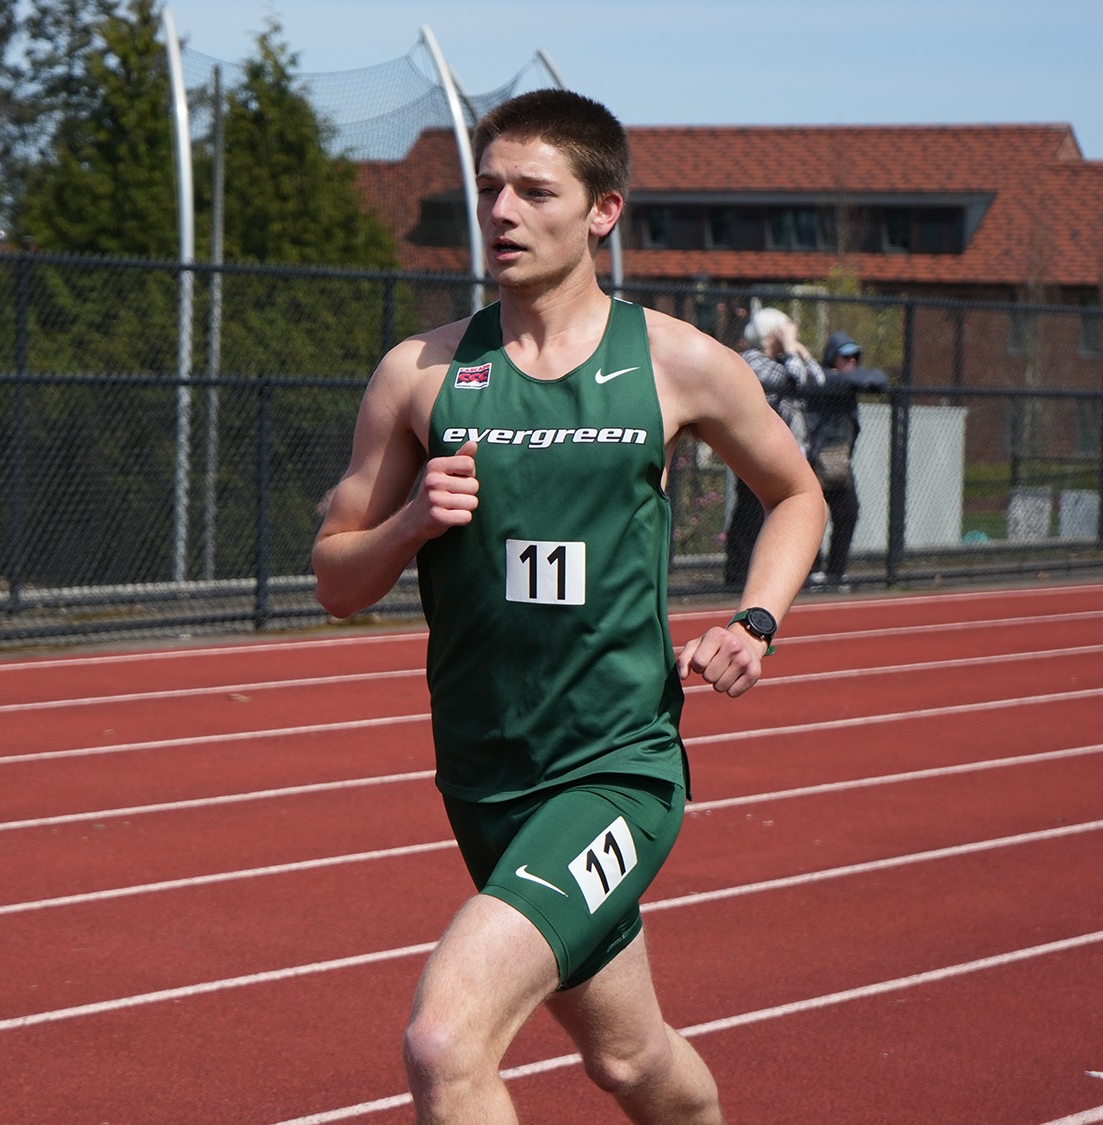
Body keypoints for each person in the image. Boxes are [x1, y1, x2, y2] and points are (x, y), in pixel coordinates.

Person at [312, 89, 825, 1123]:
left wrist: (754, 620)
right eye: (488, 187)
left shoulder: (675, 362)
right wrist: (409, 521)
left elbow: (795, 493)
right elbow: (336, 580)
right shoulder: (418, 377)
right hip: (484, 775)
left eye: (532, 191)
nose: (499, 211)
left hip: (612, 772)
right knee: (632, 1063)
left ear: (601, 212)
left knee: (443, 1040)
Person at [722, 305, 819, 587]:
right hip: (756, 451)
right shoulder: (751, 360)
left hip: (792, 451)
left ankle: (798, 571)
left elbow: (817, 381)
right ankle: (737, 575)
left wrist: (800, 351)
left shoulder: (783, 360)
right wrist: (790, 349)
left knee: (795, 511)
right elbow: (794, 381)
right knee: (751, 512)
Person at [800, 331, 890, 590]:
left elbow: (879, 379)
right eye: (845, 356)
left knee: (847, 513)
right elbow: (832, 382)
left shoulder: (851, 380)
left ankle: (835, 573)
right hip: (815, 458)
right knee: (814, 515)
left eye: (855, 357)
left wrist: (851, 377)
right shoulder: (821, 378)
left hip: (838, 460)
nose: (851, 361)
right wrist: (847, 379)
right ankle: (812, 570)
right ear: (832, 357)